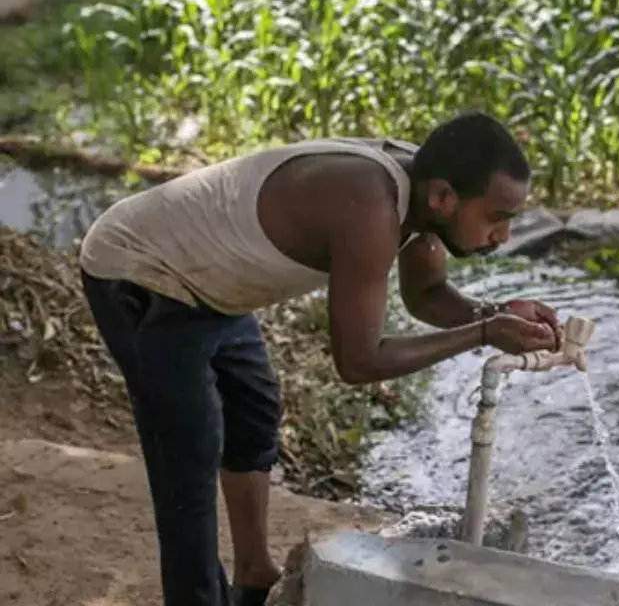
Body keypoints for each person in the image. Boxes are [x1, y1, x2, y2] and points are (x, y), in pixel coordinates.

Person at [77, 111, 562, 606]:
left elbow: (427, 294)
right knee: (189, 451)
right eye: (498, 219)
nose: (502, 237)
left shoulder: (427, 194)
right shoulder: (370, 208)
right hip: (141, 272)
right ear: (444, 198)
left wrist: (498, 312)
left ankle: (253, 571)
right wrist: (483, 332)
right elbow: (359, 362)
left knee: (255, 412)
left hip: (211, 282)